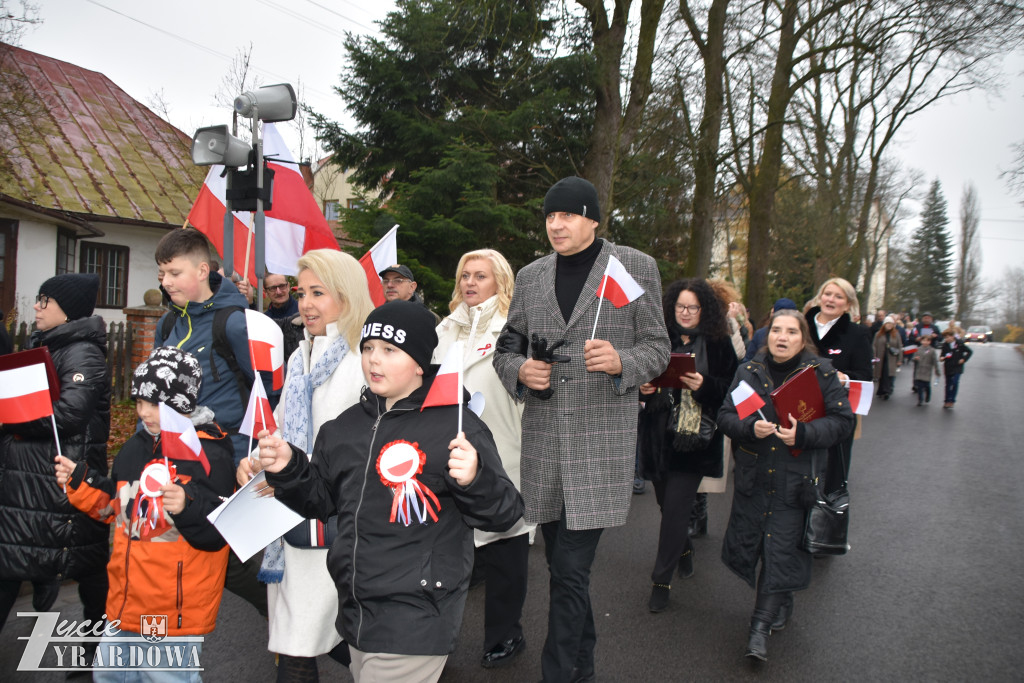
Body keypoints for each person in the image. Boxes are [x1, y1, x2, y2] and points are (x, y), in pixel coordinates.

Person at [259, 300, 524, 683]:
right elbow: (319, 502)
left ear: (419, 362)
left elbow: (504, 513)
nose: (373, 360)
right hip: (356, 609)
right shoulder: (344, 427)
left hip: (417, 613)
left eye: (389, 350)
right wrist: (289, 467)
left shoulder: (456, 426)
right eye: (367, 348)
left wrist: (474, 478)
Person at [492, 176, 670, 683]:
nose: (556, 224)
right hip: (545, 446)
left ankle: (559, 674)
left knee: (569, 571)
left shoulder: (633, 268)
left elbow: (657, 346)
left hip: (599, 447)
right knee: (565, 573)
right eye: (550, 216)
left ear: (592, 218)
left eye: (567, 215)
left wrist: (621, 361)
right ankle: (583, 667)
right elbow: (507, 348)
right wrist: (521, 373)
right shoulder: (530, 277)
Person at [55, 347, 235, 680]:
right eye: (139, 402)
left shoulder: (207, 451)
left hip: (172, 607)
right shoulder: (135, 447)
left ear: (181, 403)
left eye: (155, 404)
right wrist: (82, 483)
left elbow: (220, 532)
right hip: (125, 599)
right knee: (109, 675)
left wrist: (187, 505)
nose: (144, 413)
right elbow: (118, 510)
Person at [239, 249, 373, 681]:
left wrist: (297, 468)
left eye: (319, 292)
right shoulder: (299, 357)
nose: (305, 303)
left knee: (318, 641)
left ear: (347, 296)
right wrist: (257, 461)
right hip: (293, 521)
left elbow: (363, 449)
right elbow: (282, 430)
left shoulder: (363, 361)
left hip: (338, 526)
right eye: (301, 293)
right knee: (306, 641)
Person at [717, 309, 855, 661]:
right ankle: (784, 596)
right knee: (764, 548)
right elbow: (725, 416)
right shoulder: (749, 371)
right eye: (776, 330)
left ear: (802, 337)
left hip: (796, 482)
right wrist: (750, 429)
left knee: (779, 548)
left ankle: (757, 631)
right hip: (756, 477)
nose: (782, 337)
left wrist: (804, 433)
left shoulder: (821, 373)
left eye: (791, 331)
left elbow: (843, 423)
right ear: (767, 335)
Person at [153, 227, 270, 617]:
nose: (166, 282)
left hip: (226, 458)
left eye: (174, 272)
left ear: (202, 270)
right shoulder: (167, 325)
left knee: (218, 553)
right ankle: (283, 619)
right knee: (201, 552)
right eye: (162, 274)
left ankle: (287, 620)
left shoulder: (234, 323)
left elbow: (265, 393)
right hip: (178, 459)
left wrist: (254, 454)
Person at [0, 274, 110, 664]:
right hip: (35, 480)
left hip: (64, 480)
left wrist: (10, 418)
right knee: (23, 561)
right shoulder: (50, 345)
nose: (36, 307)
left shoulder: (82, 353)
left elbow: (69, 414)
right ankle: (91, 652)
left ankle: (94, 652)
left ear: (68, 308)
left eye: (45, 301)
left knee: (87, 567)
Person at [433, 249, 532, 668]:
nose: (470, 283)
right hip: (450, 454)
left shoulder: (516, 329)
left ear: (501, 283)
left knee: (506, 553)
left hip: (504, 451)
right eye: (465, 276)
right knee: (449, 552)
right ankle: (434, 636)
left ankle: (505, 635)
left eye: (481, 276)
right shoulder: (445, 329)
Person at [637, 279, 738, 613]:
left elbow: (731, 390)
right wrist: (643, 390)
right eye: (680, 306)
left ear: (704, 309)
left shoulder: (719, 343)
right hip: (657, 436)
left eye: (692, 307)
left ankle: (660, 581)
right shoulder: (658, 338)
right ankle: (684, 549)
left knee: (677, 510)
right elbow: (637, 376)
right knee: (668, 508)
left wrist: (704, 384)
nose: (685, 313)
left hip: (695, 441)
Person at [803, 278, 871, 494]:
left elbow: (865, 376)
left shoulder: (857, 334)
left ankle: (825, 519)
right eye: (828, 294)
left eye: (838, 296)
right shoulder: (800, 326)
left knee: (831, 476)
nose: (831, 299)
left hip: (836, 412)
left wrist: (844, 378)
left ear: (848, 304)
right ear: (820, 297)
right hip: (799, 408)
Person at [744, 298, 797, 362]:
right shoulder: (760, 334)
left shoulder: (760, 333)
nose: (782, 338)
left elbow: (748, 359)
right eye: (775, 331)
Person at [939, 327, 972, 409]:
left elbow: (969, 352)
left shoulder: (960, 344)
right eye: (945, 338)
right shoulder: (945, 345)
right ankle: (946, 400)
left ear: (953, 336)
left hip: (957, 367)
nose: (947, 339)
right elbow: (942, 355)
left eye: (948, 337)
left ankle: (952, 400)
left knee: (955, 382)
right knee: (948, 384)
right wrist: (941, 358)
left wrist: (964, 359)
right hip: (948, 366)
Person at [872, 316, 903, 400]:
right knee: (881, 375)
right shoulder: (878, 334)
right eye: (887, 324)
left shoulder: (896, 334)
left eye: (891, 324)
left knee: (889, 375)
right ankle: (881, 390)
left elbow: (899, 347)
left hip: (891, 358)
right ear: (884, 324)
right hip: (881, 358)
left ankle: (887, 391)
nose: (889, 326)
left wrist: (900, 359)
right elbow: (874, 346)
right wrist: (874, 357)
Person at [911, 334, 941, 406]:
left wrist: (937, 370)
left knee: (926, 385)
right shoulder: (918, 349)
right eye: (923, 340)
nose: (925, 342)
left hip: (927, 369)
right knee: (920, 386)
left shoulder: (932, 350)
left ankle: (928, 395)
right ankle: (920, 399)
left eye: (927, 341)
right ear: (921, 341)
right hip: (919, 369)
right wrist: (915, 359)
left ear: (930, 342)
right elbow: (913, 358)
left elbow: (934, 361)